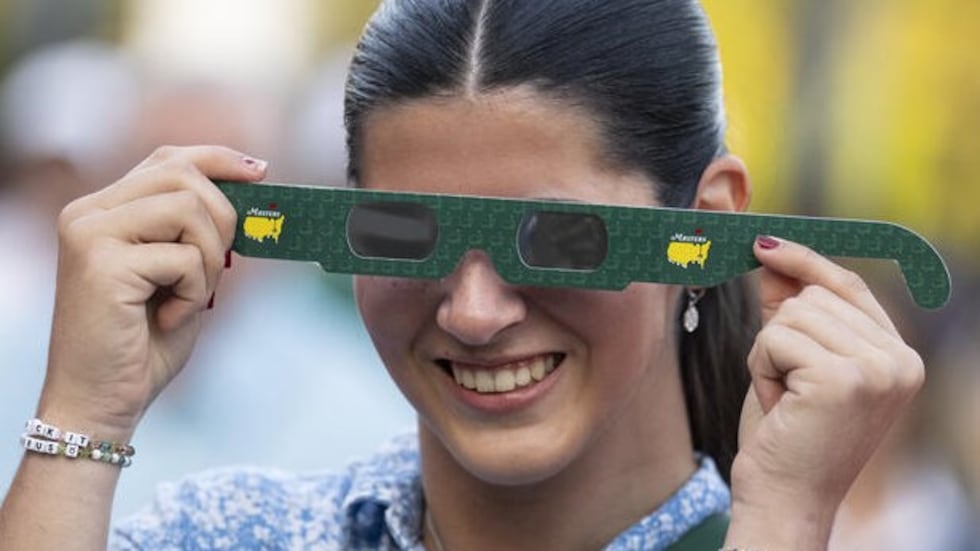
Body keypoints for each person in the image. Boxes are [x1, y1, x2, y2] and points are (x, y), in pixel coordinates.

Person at [0, 1, 926, 549]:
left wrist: (782, 524)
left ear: (708, 225)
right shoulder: (238, 531)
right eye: (402, 234)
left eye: (563, 238)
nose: (476, 312)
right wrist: (81, 418)